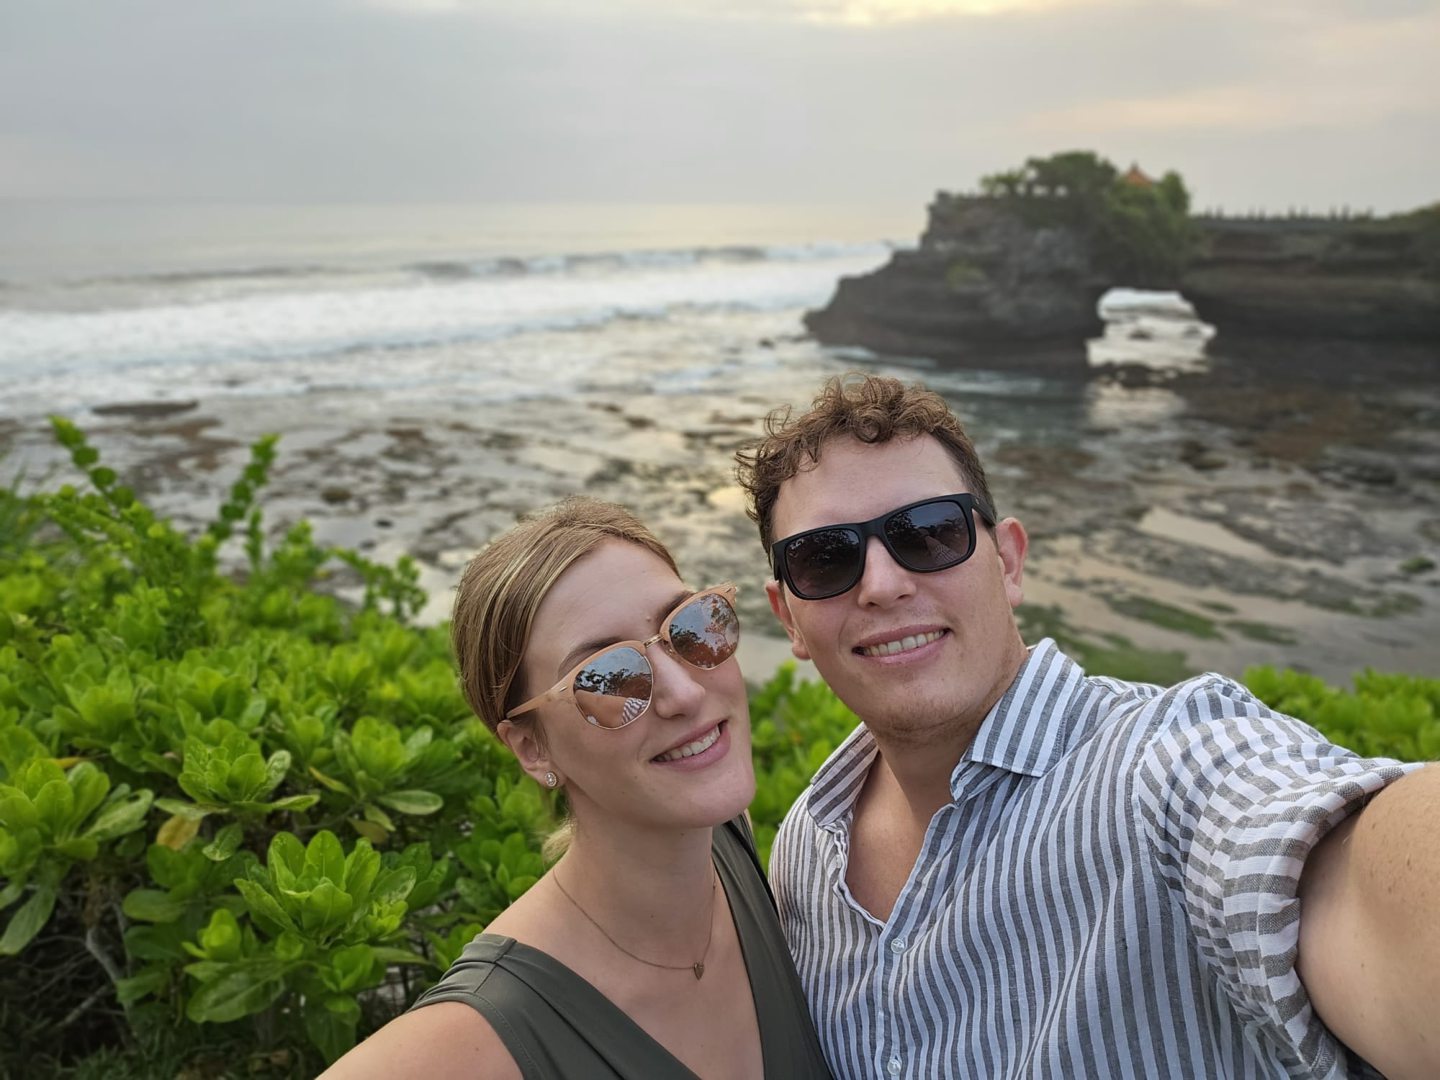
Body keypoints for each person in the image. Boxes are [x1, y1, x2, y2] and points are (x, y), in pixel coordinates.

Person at [734, 374, 1438, 1080]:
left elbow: (1315, 852)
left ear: (1008, 562)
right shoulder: (803, 850)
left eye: (928, 533)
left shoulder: (1161, 769)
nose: (881, 583)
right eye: (824, 557)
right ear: (788, 615)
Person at [322, 497, 833, 1079]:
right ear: (531, 747)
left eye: (692, 628)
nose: (684, 694)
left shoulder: (727, 846)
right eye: (608, 677)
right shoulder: (486, 1033)